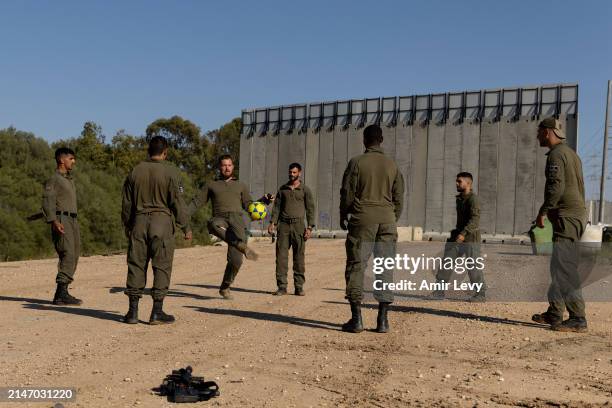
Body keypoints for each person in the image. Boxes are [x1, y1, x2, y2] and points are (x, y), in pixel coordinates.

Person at [339, 124, 404, 333]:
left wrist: (344, 213)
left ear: (364, 140)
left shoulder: (357, 162)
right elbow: (399, 197)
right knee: (385, 267)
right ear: (381, 140)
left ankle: (356, 319)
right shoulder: (392, 165)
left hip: (363, 219)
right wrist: (392, 217)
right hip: (387, 219)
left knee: (357, 265)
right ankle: (382, 320)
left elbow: (347, 192)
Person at [121, 136, 192, 325]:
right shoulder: (171, 172)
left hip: (139, 221)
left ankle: (132, 312)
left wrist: (128, 226)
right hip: (161, 222)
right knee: (161, 266)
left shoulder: (135, 171)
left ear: (148, 151)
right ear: (165, 152)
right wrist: (186, 226)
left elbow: (126, 204)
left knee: (136, 264)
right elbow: (178, 202)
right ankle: (156, 312)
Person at [532, 117, 588, 333]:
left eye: (539, 132)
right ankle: (555, 312)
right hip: (573, 215)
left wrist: (543, 211)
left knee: (565, 267)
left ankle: (578, 318)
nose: (537, 136)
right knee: (558, 265)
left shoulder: (556, 155)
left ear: (547, 132)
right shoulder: (571, 154)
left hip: (567, 216)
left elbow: (556, 186)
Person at [190, 155, 270, 300]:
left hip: (237, 221)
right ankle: (240, 245)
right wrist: (182, 214)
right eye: (224, 165)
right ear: (219, 167)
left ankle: (225, 286)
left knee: (236, 261)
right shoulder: (211, 185)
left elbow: (249, 206)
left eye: (229, 165)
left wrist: (264, 201)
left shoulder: (240, 185)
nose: (227, 168)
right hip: (220, 218)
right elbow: (197, 202)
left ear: (233, 167)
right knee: (212, 224)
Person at [429, 172, 486, 302]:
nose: (457, 183)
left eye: (459, 181)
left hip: (470, 238)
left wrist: (463, 234)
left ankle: (480, 294)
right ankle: (439, 292)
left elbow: (475, 220)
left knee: (473, 266)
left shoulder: (473, 200)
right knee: (446, 263)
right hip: (458, 236)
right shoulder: (460, 198)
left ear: (468, 183)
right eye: (456, 181)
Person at [267, 163, 316, 296]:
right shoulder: (282, 189)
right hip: (283, 226)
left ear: (299, 173)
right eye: (290, 172)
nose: (292, 175)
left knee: (299, 257)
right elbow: (276, 208)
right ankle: (282, 286)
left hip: (299, 226)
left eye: (294, 172)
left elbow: (311, 209)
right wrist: (272, 223)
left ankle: (299, 287)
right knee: (281, 257)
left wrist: (310, 227)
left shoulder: (305, 190)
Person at [42, 147, 82, 305]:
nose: (74, 161)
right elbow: (47, 201)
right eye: (71, 158)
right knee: (68, 253)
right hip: (61, 219)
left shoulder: (68, 179)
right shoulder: (54, 179)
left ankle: (62, 292)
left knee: (75, 254)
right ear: (61, 160)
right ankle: (61, 294)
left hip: (72, 220)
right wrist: (53, 221)